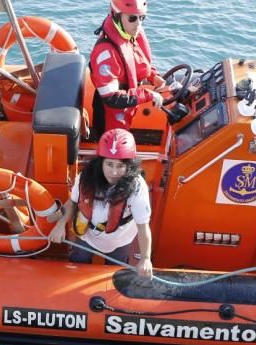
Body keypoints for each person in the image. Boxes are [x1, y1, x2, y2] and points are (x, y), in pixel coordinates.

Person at [49, 128, 153, 278]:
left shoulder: (137, 187)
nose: (114, 172)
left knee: (116, 273)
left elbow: (143, 227)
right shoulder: (85, 178)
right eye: (109, 164)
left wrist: (145, 259)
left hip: (119, 240)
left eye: (120, 166)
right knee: (77, 266)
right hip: (87, 236)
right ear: (101, 162)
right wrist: (60, 225)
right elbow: (72, 202)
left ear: (129, 166)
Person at [90, 0, 166, 133]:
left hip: (127, 107)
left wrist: (153, 76)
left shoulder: (128, 34)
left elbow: (136, 60)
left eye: (141, 18)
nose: (138, 24)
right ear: (117, 16)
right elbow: (112, 98)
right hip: (110, 122)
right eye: (132, 18)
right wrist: (147, 95)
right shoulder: (106, 53)